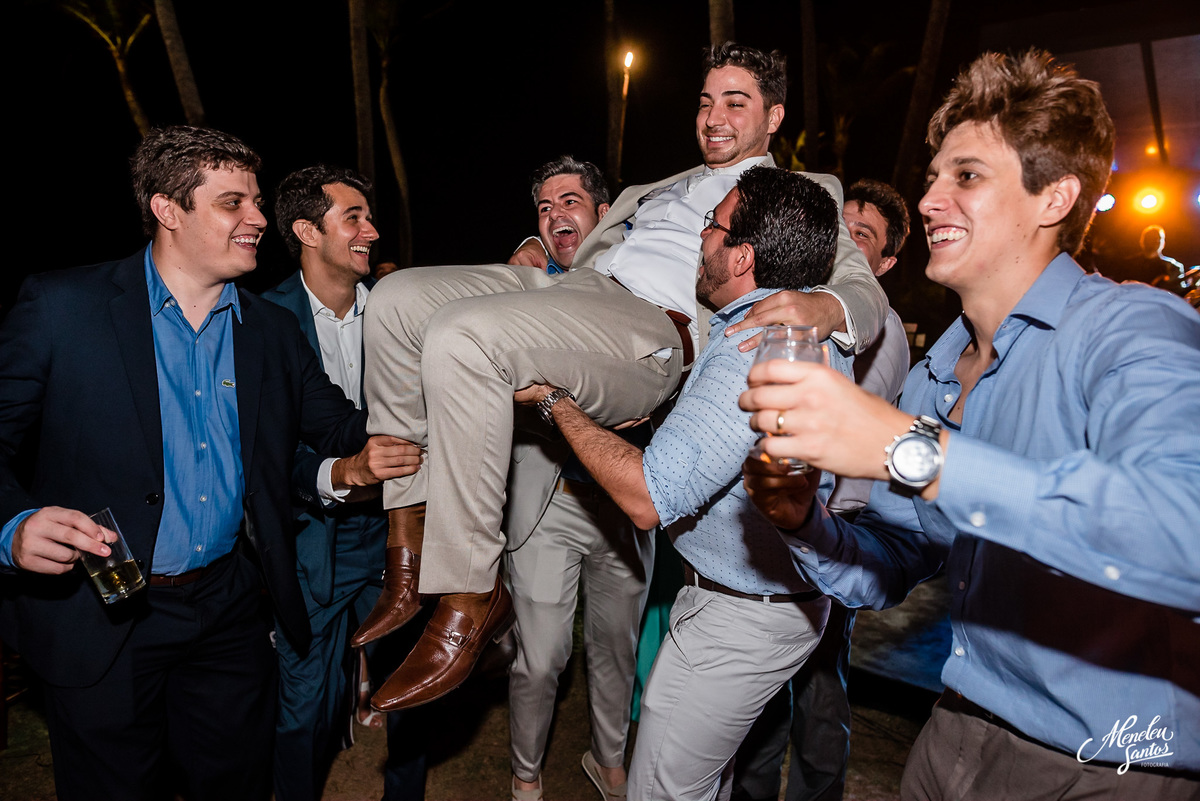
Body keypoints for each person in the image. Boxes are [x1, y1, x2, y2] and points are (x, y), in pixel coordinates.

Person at [355, 42, 888, 712]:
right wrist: (538, 245)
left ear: (774, 116)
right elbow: (590, 248)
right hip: (572, 294)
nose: (713, 114)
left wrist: (827, 303)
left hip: (648, 330)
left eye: (735, 101)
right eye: (704, 100)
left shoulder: (801, 195)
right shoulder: (652, 189)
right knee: (397, 301)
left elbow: (863, 288)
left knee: (463, 339)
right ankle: (406, 548)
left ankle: (470, 591)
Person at [739, 51, 1200, 798]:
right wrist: (802, 520)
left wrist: (908, 448)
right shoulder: (933, 375)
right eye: (933, 178)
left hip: (1110, 765)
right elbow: (891, 561)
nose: (929, 201)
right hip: (952, 732)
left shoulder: (1131, 330)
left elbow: (1186, 527)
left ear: (1054, 197)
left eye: (968, 177)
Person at [0, 126, 421, 800]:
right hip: (101, 610)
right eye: (234, 203)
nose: (258, 219)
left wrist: (466, 380)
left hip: (228, 610)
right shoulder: (62, 308)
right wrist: (13, 526)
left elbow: (344, 424)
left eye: (255, 202)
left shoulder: (272, 331)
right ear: (168, 209)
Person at [519, 166, 850, 800]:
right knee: (707, 782)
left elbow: (646, 498)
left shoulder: (757, 346)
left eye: (714, 225)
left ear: (743, 254)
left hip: (742, 619)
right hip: (756, 602)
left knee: (662, 791)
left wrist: (555, 403)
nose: (700, 237)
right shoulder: (793, 327)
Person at [733, 178, 911, 801]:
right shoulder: (809, 309)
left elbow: (846, 437)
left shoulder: (879, 327)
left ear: (886, 263)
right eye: (846, 230)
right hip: (796, 519)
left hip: (839, 532)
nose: (849, 244)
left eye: (865, 237)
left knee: (818, 688)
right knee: (767, 686)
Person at [263, 165, 426, 801]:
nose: (371, 230)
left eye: (368, 216)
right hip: (309, 541)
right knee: (303, 708)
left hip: (397, 532)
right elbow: (266, 455)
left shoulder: (399, 313)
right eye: (352, 217)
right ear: (307, 230)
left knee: (410, 691)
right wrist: (339, 474)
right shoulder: (261, 319)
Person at [501, 156, 652, 801]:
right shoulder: (522, 286)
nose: (557, 214)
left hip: (625, 502)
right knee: (540, 658)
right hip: (547, 500)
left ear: (602, 211)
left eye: (570, 201)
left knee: (615, 649)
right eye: (544, 207)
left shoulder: (642, 280)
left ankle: (609, 761)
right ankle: (525, 774)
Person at [1138, 225, 1189, 297]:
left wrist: (1193, 284)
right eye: (1151, 238)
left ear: (1163, 243)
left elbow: (1180, 294)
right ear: (1142, 241)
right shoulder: (1128, 265)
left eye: (1158, 238)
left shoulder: (1174, 267)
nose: (1156, 241)